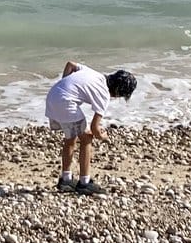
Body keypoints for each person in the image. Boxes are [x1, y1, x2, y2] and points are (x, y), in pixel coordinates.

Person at [45, 61, 137, 195]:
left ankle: (66, 180)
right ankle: (84, 183)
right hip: (65, 102)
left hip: (53, 96)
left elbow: (70, 64)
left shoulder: (95, 74)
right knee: (87, 138)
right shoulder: (104, 94)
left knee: (71, 138)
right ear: (118, 92)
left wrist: (65, 84)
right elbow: (95, 127)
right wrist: (102, 136)